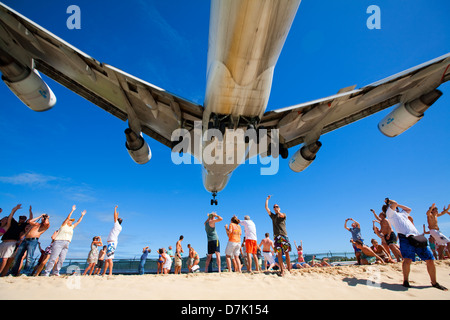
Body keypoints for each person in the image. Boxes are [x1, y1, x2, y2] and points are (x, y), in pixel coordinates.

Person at [382, 198, 447, 290]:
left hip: (417, 236)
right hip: (405, 237)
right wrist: (388, 201)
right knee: (407, 260)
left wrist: (398, 206)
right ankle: (406, 281)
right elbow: (394, 203)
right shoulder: (390, 213)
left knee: (430, 259)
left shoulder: (402, 214)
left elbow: (409, 209)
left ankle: (434, 282)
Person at [43, 205, 85, 276]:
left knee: (61, 259)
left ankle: (56, 272)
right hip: (59, 242)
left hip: (67, 243)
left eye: (72, 221)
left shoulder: (71, 227)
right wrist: (72, 210)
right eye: (70, 220)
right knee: (53, 258)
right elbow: (67, 218)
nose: (71, 222)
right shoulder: (63, 225)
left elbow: (78, 222)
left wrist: (82, 215)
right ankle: (47, 272)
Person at [12, 208, 50, 276]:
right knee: (18, 256)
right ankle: (13, 272)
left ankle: (26, 272)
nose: (43, 219)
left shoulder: (45, 226)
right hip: (25, 239)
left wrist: (46, 218)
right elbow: (30, 221)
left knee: (29, 257)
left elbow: (46, 223)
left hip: (33, 240)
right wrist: (40, 216)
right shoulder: (36, 224)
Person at [265, 195, 292, 276]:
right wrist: (267, 199)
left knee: (287, 253)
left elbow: (282, 216)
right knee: (279, 254)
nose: (275, 207)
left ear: (279, 208)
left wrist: (278, 211)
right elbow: (267, 208)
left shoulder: (283, 214)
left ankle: (289, 270)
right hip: (276, 236)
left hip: (284, 235)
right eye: (274, 207)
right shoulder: (273, 216)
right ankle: (282, 270)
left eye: (277, 206)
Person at [0, 205, 29, 276]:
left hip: (12, 243)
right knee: (4, 260)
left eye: (6, 219)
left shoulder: (22, 225)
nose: (5, 219)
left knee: (6, 260)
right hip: (3, 243)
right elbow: (9, 218)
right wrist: (14, 210)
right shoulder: (7, 226)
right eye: (4, 219)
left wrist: (14, 210)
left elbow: (30, 221)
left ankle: (2, 275)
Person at [103, 205, 122, 276]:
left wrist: (115, 209)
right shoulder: (118, 226)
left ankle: (110, 273)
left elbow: (114, 218)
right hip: (111, 242)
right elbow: (116, 218)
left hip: (112, 242)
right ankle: (104, 273)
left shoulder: (117, 225)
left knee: (109, 259)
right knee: (107, 259)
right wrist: (117, 215)